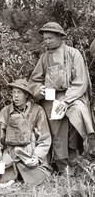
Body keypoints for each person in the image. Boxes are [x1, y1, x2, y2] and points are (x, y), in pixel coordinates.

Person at [30, 22, 95, 174]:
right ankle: (63, 167)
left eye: (50, 38)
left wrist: (66, 101)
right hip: (51, 99)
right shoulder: (44, 58)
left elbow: (81, 82)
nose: (47, 41)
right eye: (45, 39)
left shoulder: (73, 54)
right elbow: (34, 81)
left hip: (73, 96)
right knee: (56, 128)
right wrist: (41, 89)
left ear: (60, 37)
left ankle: (84, 154)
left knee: (78, 114)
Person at [0, 79, 52, 185]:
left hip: (29, 154)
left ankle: (18, 175)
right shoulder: (5, 112)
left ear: (26, 95)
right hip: (10, 154)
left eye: (19, 92)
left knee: (39, 176)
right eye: (13, 92)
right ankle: (14, 175)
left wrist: (37, 157)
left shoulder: (37, 110)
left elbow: (44, 138)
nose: (15, 96)